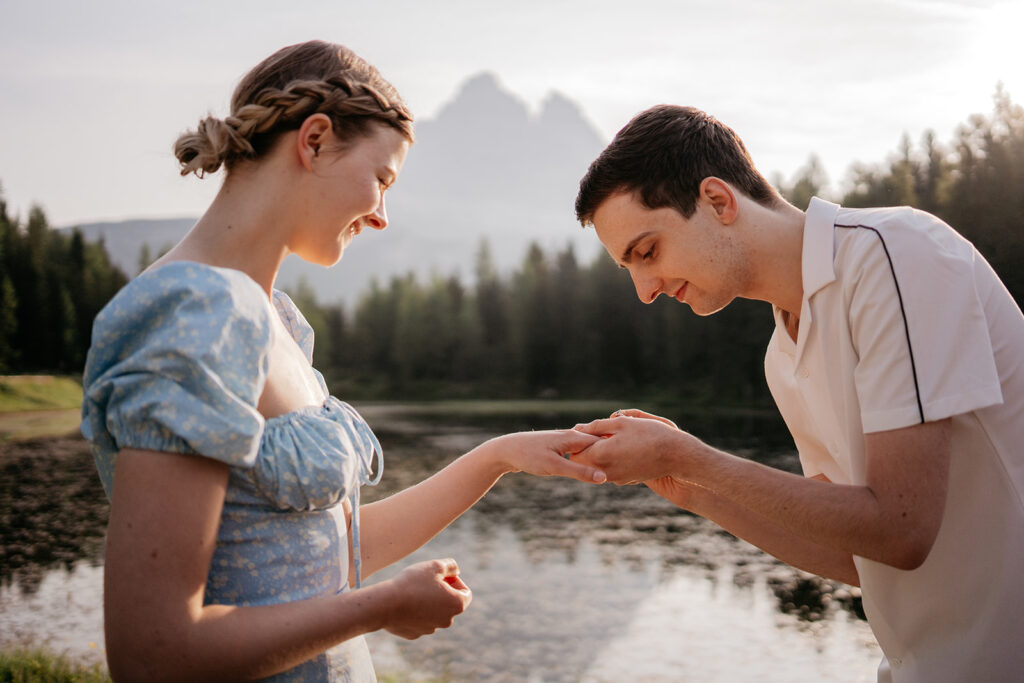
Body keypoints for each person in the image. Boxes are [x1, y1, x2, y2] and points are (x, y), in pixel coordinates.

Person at [80, 40, 606, 682]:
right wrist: (377, 608)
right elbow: (155, 654)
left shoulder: (276, 318)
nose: (382, 215)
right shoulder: (193, 314)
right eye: (381, 179)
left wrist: (495, 458)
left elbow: (316, 559)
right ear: (316, 140)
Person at [569, 105, 1024, 682]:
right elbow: (858, 555)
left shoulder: (893, 256)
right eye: (629, 267)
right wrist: (693, 489)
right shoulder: (782, 355)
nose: (645, 290)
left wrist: (689, 456)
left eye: (648, 252)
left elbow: (902, 529)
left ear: (718, 201)